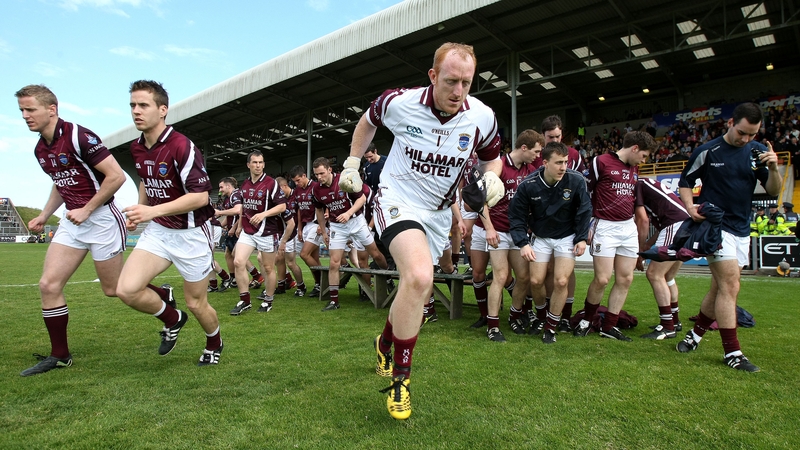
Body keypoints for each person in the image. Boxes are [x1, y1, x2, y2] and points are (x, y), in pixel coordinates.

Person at [342, 42, 504, 419]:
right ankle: (401, 380)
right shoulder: (399, 103)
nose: (458, 91)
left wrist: (493, 181)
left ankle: (385, 342)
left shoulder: (482, 117)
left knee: (417, 285)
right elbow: (368, 121)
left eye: (466, 82)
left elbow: (492, 159)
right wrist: (352, 163)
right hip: (396, 198)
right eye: (450, 81)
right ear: (433, 76)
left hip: (437, 214)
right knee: (418, 276)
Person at [15, 84, 173, 376]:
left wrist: (87, 209)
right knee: (48, 285)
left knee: (114, 290)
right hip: (72, 223)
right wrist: (44, 214)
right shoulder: (41, 148)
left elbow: (115, 178)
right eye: (22, 110)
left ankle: (167, 303)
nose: (25, 116)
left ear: (52, 109)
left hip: (100, 219)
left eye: (30, 109)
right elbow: (62, 183)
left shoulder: (79, 136)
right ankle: (60, 355)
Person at [117, 80, 223, 366]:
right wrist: (142, 207)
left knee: (196, 303)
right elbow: (145, 180)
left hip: (192, 234)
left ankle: (215, 341)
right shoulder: (137, 147)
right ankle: (173, 319)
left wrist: (151, 211)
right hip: (160, 230)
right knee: (125, 289)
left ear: (163, 110)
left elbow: (200, 197)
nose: (136, 111)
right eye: (132, 105)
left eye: (143, 105)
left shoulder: (181, 146)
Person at [677, 102, 782, 372]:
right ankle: (732, 352)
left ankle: (695, 335)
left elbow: (772, 192)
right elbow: (685, 181)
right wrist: (690, 207)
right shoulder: (708, 151)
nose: (746, 139)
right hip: (716, 226)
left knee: (720, 287)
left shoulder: (757, 152)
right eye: (742, 132)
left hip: (742, 228)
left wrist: (774, 169)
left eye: (752, 134)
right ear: (730, 123)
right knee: (730, 285)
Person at [574, 131, 655, 341]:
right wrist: (585, 226)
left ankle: (609, 325)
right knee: (602, 279)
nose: (644, 161)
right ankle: (587, 320)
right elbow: (584, 192)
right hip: (605, 226)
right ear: (635, 148)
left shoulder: (634, 168)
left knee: (626, 278)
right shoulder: (600, 162)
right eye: (644, 155)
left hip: (627, 227)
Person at [509, 140, 591, 344]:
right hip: (541, 237)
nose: (563, 167)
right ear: (545, 162)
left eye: (565, 162)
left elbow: (584, 211)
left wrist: (581, 238)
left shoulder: (576, 180)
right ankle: (542, 315)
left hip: (567, 236)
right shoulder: (528, 184)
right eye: (558, 163)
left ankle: (551, 327)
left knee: (561, 280)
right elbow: (516, 216)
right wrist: (523, 243)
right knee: (535, 281)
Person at [477, 129, 542, 343]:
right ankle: (492, 325)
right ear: (523, 148)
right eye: (535, 151)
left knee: (523, 277)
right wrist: (489, 228)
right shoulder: (499, 165)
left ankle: (515, 315)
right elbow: (481, 199)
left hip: (518, 231)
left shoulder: (531, 170)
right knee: (501, 276)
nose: (537, 155)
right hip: (498, 230)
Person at [531, 115, 587, 332]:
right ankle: (543, 313)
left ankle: (564, 314)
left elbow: (580, 186)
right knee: (542, 272)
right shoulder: (538, 156)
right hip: (541, 222)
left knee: (564, 272)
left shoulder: (573, 155)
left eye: (558, 135)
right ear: (543, 136)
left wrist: (583, 227)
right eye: (550, 136)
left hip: (566, 223)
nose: (555, 139)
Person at [311, 157, 389, 311]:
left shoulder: (344, 180)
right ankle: (334, 300)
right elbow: (319, 210)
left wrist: (348, 213)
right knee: (334, 262)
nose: (319, 177)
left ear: (329, 170)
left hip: (356, 222)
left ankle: (387, 277)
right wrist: (324, 230)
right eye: (316, 175)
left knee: (375, 254)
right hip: (337, 226)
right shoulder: (316, 190)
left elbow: (362, 198)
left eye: (321, 173)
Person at [228, 151, 288, 315]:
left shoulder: (271, 183)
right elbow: (244, 208)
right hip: (248, 231)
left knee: (268, 268)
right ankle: (244, 300)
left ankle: (268, 300)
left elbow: (282, 206)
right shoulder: (245, 184)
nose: (258, 165)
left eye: (261, 162)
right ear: (248, 165)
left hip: (267, 232)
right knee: (238, 262)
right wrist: (240, 225)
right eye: (254, 162)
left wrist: (263, 214)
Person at [634, 178, 690, 340]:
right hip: (684, 225)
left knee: (654, 274)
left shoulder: (638, 185)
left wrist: (639, 251)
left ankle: (667, 326)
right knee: (668, 277)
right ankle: (674, 320)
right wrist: (646, 246)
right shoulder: (650, 185)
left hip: (674, 226)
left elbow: (643, 221)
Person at [215, 177, 264, 291]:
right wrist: (218, 226)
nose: (220, 190)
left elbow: (239, 210)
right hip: (234, 229)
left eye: (221, 187)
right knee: (229, 254)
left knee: (238, 255)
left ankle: (256, 275)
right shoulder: (228, 198)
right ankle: (234, 278)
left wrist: (235, 226)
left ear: (228, 186)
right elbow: (230, 216)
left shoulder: (235, 195)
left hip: (240, 230)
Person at [289, 165, 323, 298]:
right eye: (294, 181)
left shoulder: (316, 187)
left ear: (304, 176)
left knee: (304, 254)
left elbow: (324, 205)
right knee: (313, 258)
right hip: (306, 225)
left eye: (298, 180)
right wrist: (299, 228)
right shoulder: (297, 190)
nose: (296, 183)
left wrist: (322, 224)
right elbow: (298, 210)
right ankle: (319, 284)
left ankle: (323, 281)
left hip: (316, 224)